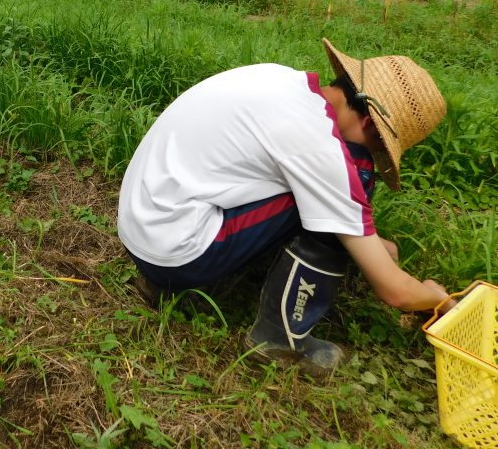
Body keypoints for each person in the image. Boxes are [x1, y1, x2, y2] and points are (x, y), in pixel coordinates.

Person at [118, 38, 453, 374]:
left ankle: (160, 284)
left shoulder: (280, 80)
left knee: (330, 195)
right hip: (175, 253)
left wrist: (377, 247)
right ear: (371, 125)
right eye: (380, 144)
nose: (375, 153)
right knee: (352, 177)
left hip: (142, 224)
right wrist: (438, 299)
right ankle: (279, 339)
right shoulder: (322, 151)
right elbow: (395, 292)